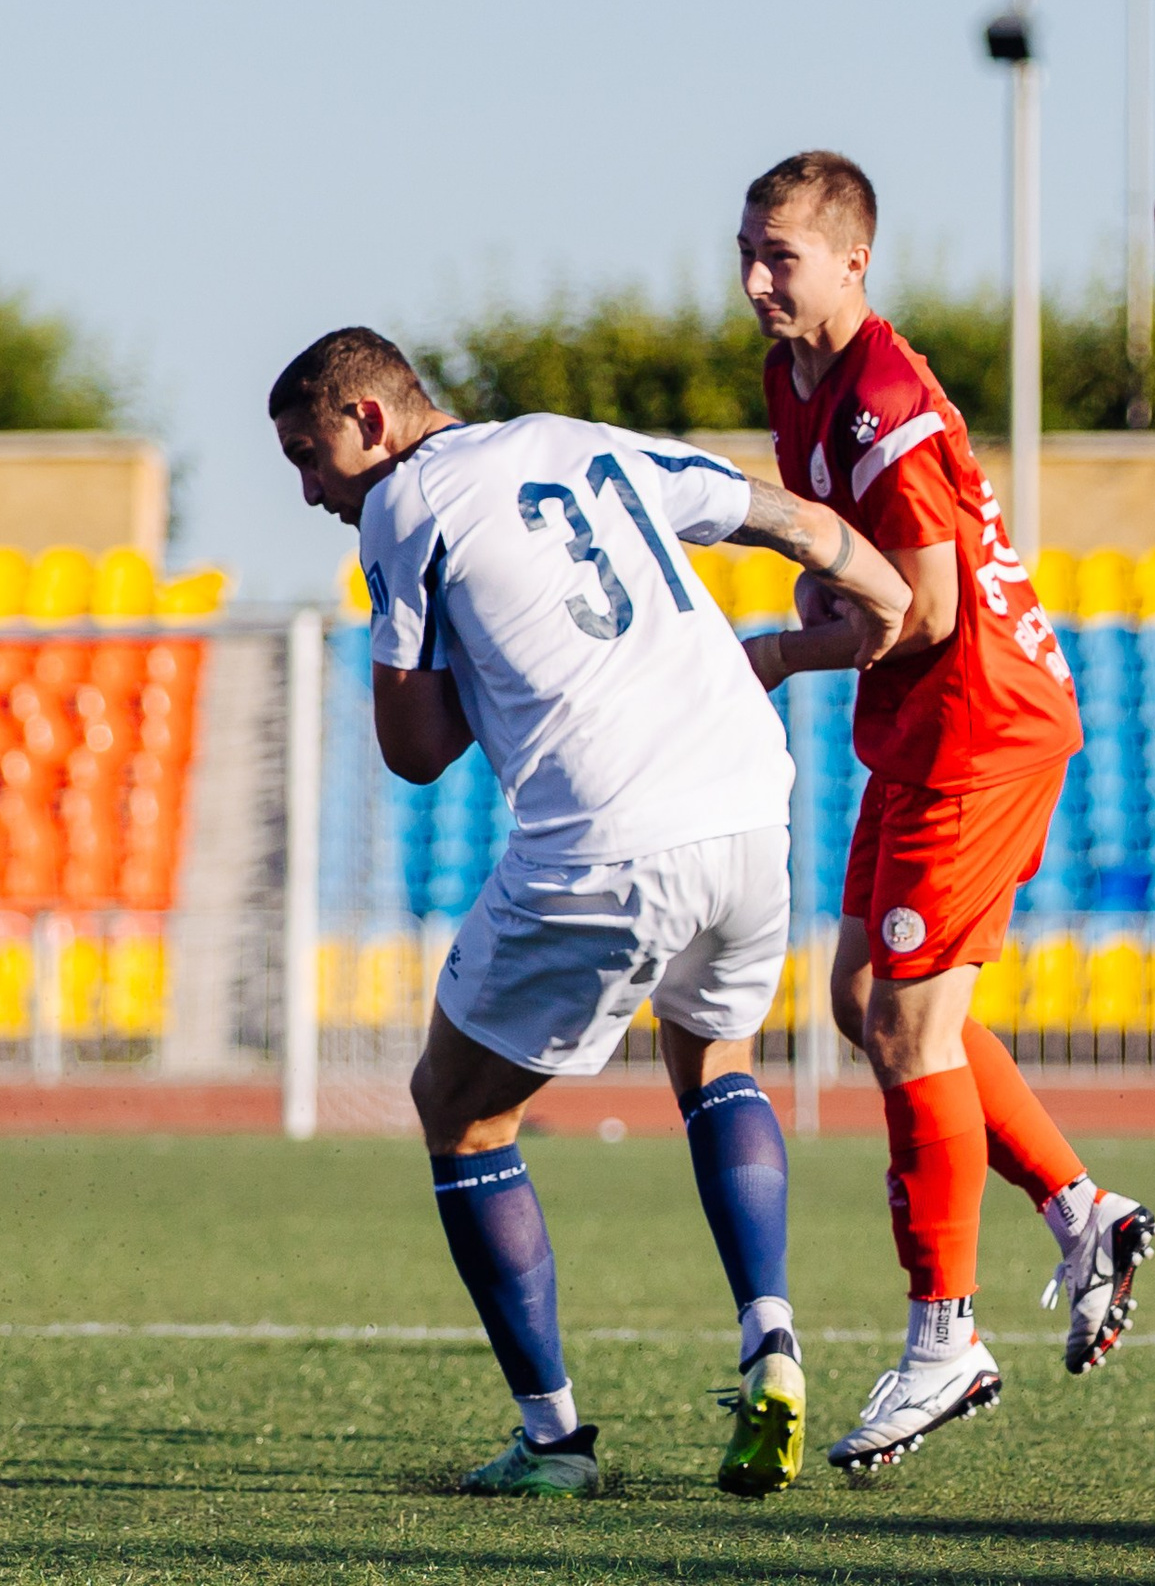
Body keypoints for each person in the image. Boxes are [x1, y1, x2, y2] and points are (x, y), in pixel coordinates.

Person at [269, 326, 910, 1499]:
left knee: (459, 1113)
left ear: (368, 418)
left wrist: (461, 657)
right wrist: (882, 599)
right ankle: (771, 1336)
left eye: (310, 456)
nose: (312, 491)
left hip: (607, 840)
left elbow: (414, 752)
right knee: (716, 1061)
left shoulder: (402, 505)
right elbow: (790, 522)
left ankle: (554, 1441)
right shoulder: (580, 441)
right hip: (748, 808)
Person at [734, 151, 1155, 1473]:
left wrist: (775, 651)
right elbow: (853, 566)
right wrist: (813, 589)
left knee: (911, 1023)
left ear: (853, 262)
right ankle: (1084, 1210)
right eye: (747, 253)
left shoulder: (885, 399)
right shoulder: (793, 379)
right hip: (925, 726)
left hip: (979, 723)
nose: (756, 281)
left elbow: (918, 610)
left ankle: (946, 1337)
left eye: (782, 258)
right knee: (866, 998)